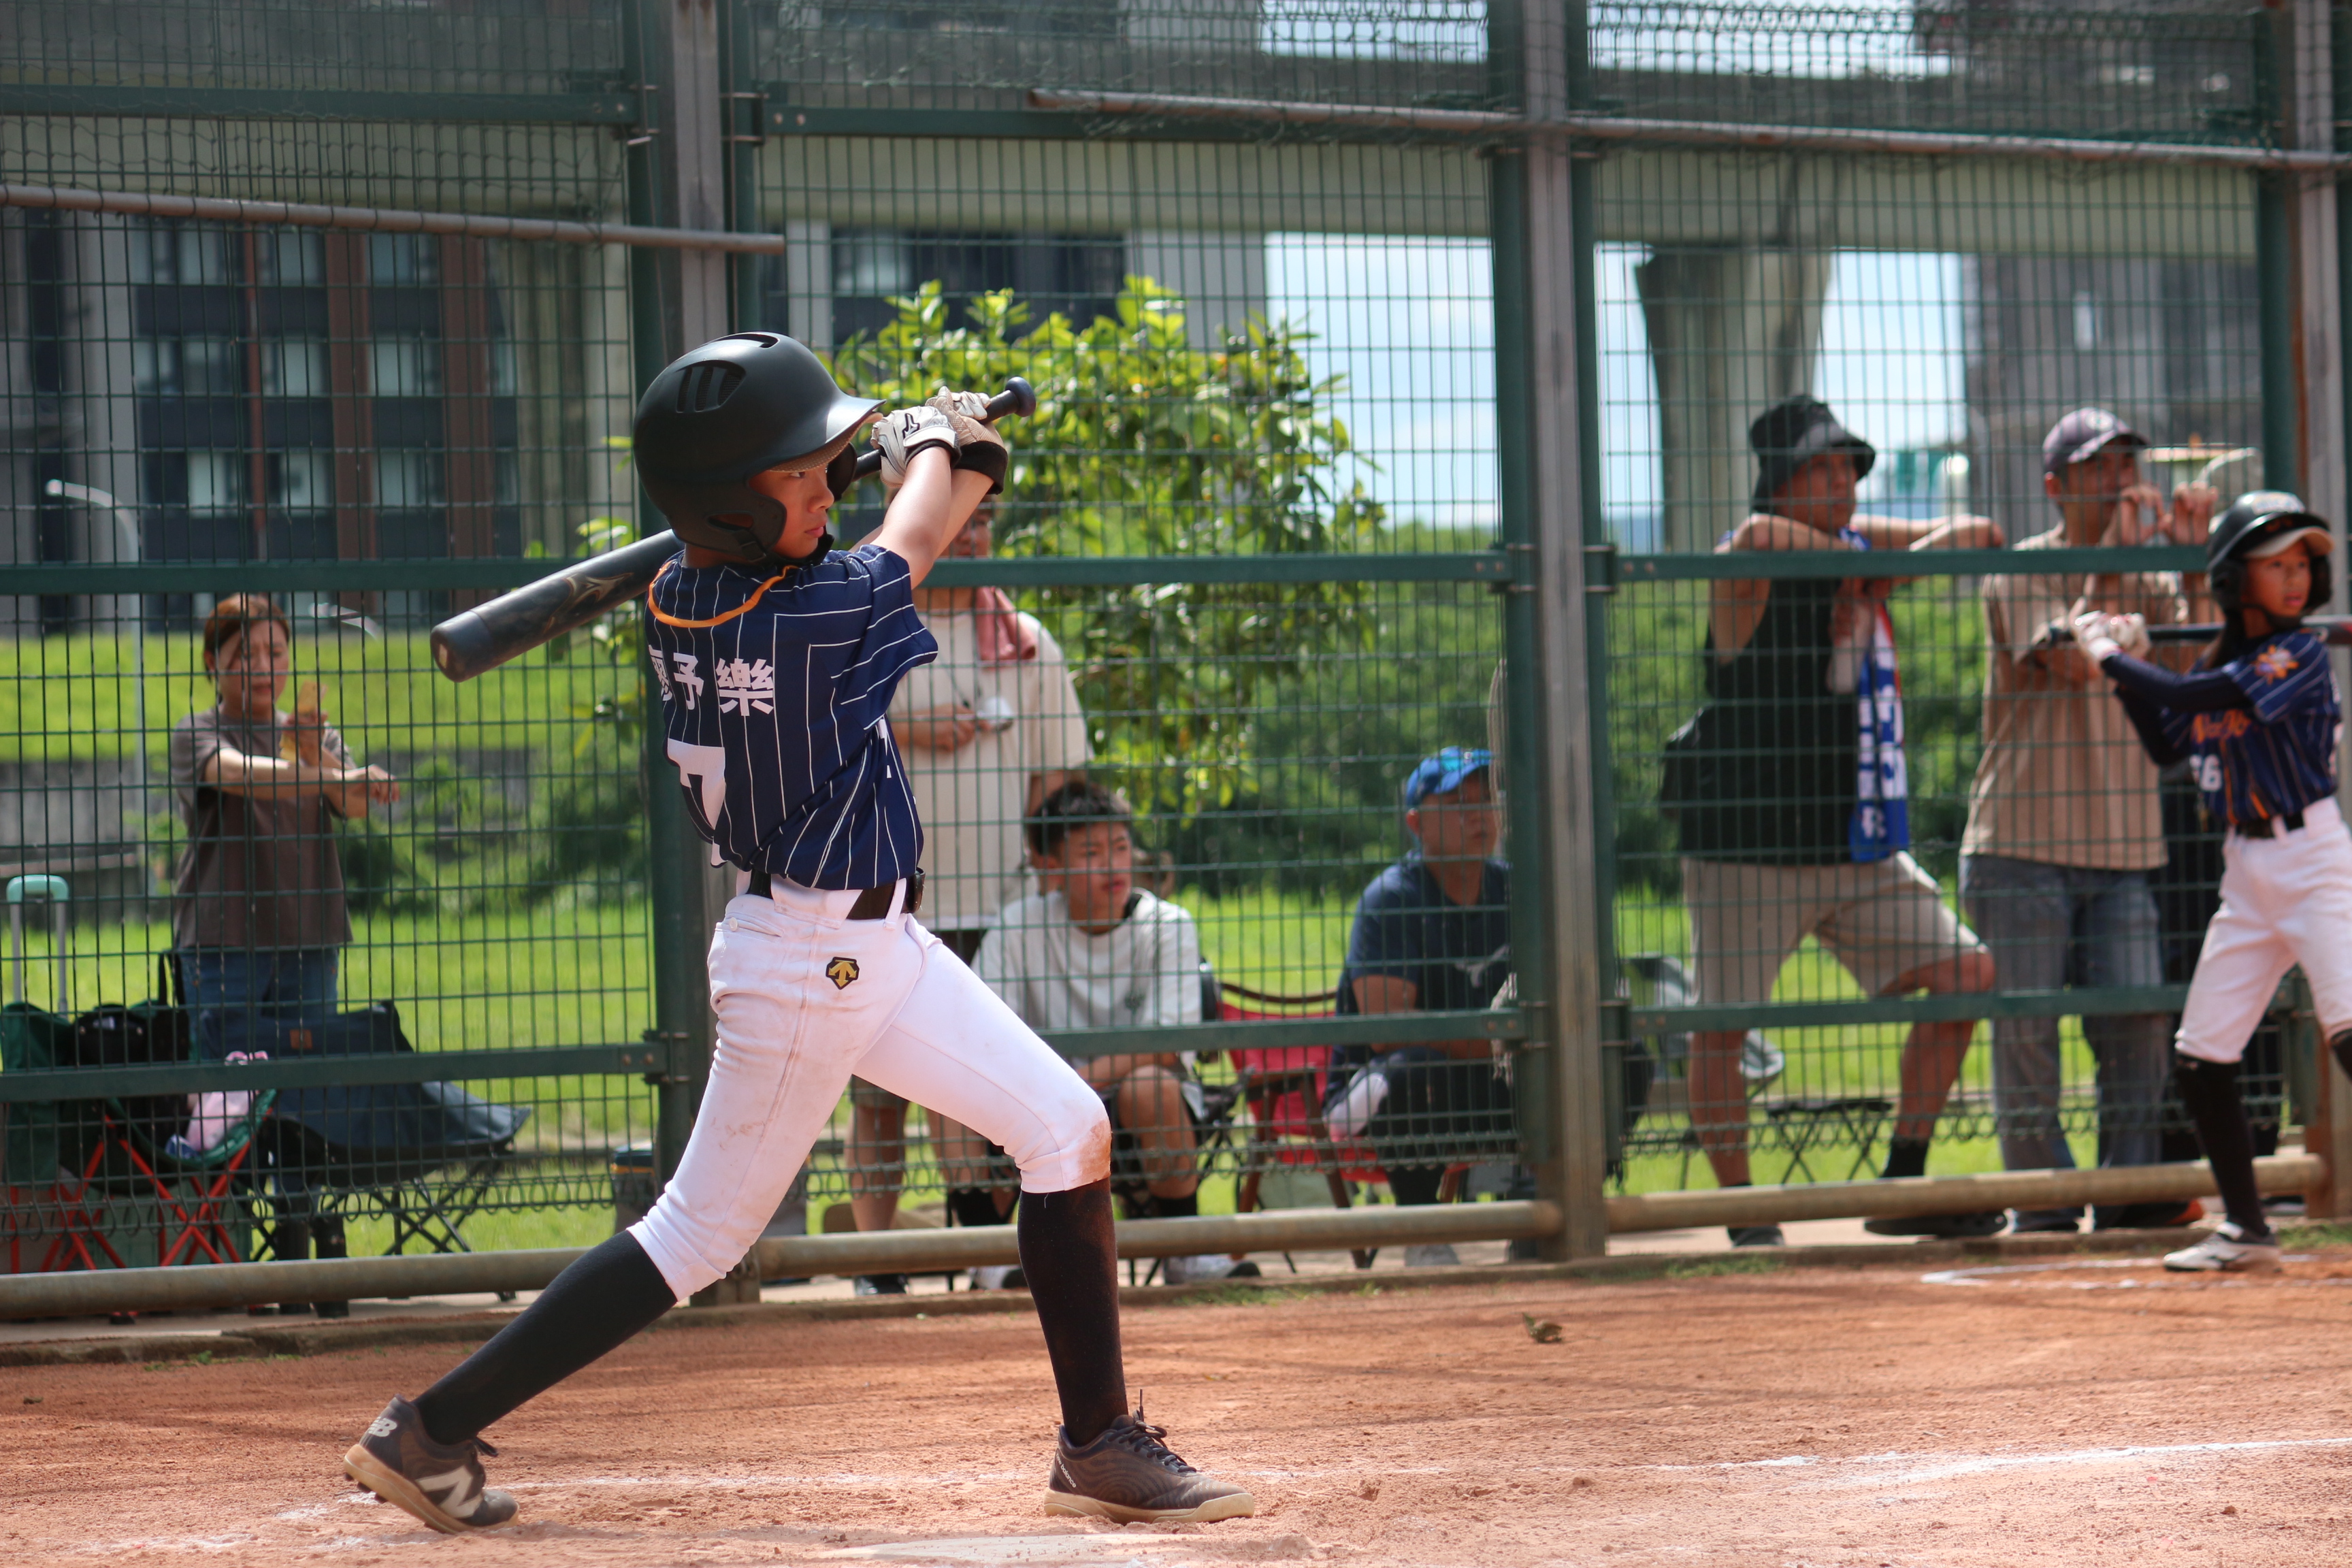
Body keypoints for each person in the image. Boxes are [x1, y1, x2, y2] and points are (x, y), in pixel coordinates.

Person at [341, 333, 1254, 1531]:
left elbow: (908, 513)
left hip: (872, 946)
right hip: (813, 963)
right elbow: (920, 532)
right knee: (697, 1233)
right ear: (724, 505)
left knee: (1065, 1127)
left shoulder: (684, 589)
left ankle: (1096, 1441)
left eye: (827, 463)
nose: (825, 486)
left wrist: (934, 445)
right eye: (799, 472)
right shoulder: (811, 616)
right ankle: (432, 1426)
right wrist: (934, 438)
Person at [1661, 395, 2002, 1246]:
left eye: (1850, 466)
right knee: (1724, 1023)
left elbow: (1983, 534)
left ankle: (1903, 1182)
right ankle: (1743, 1211)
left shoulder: (1854, 547)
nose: (1844, 480)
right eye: (1822, 467)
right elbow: (1758, 540)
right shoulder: (1750, 552)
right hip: (1747, 843)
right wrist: (1871, 566)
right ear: (1779, 482)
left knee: (1967, 973)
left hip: (1853, 839)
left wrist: (1883, 561)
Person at [2075, 491, 2352, 1273]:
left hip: (2314, 862)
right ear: (2235, 580)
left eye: (2302, 564)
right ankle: (2249, 1229)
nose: (2295, 580)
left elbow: (2194, 698)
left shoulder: (2294, 655)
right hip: (2248, 874)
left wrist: (2109, 653)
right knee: (2202, 1056)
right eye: (2274, 567)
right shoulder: (2220, 661)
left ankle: (2249, 1227)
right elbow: (2167, 739)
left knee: (2351, 1033)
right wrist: (2132, 669)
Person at [1959, 409, 2217, 1235]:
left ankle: (2128, 1195)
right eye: (2098, 466)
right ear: (2055, 486)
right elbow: (2071, 660)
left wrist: (2189, 559)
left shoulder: (2147, 573)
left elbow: (2196, 671)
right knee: (2029, 1032)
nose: (2117, 479)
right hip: (2021, 844)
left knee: (2140, 1022)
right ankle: (2043, 1203)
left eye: (2125, 463)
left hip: (2124, 842)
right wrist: (2119, 566)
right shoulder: (2017, 572)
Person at [848, 502, 1090, 1294]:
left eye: (987, 519)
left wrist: (1050, 877)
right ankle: (874, 1266)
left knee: (988, 1090)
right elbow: (816, 730)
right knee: (878, 1098)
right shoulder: (864, 624)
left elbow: (1060, 780)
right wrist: (911, 733)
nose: (974, 532)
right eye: (958, 515)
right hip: (882, 904)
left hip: (1002, 911)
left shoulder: (1025, 642)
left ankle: (994, 1255)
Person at [169, 592, 399, 1310]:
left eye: (275, 652)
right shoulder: (199, 731)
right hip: (221, 945)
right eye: (246, 657)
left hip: (308, 939)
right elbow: (234, 772)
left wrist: (349, 776)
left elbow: (353, 806)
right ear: (214, 665)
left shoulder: (309, 734)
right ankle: (233, 1261)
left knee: (303, 1101)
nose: (264, 668)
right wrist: (329, 773)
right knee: (226, 1106)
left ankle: (307, 1240)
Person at [974, 780, 1258, 1286]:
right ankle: (989, 1257)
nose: (1112, 865)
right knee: (952, 1092)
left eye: (1121, 847)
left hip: (1138, 1100)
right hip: (1039, 1101)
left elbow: (1169, 1043)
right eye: (1091, 852)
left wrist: (1084, 1079)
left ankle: (1185, 1251)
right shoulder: (1016, 927)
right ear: (1051, 866)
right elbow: (987, 1030)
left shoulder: (1169, 925)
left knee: (1151, 1084)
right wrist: (1061, 1088)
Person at [1329, 747, 1515, 1267]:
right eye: (1458, 804)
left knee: (1624, 1055)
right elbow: (1390, 1032)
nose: (1479, 815)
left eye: (1487, 800)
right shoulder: (1392, 897)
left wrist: (1510, 1043)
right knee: (1417, 1067)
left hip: (1484, 1074)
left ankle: (1536, 1211)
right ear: (1417, 824)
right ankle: (1423, 1229)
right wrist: (1503, 1039)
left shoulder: (1518, 888)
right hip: (1372, 1091)